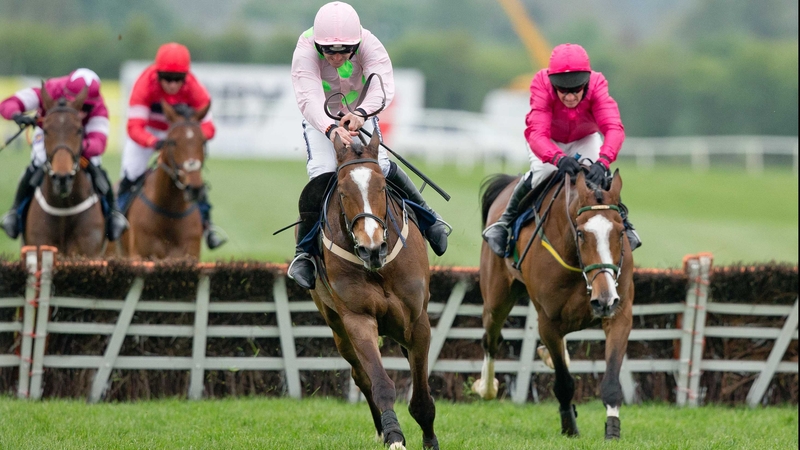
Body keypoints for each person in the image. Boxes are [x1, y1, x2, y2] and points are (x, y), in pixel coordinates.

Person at [288, 1, 450, 289]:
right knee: (322, 172)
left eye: (344, 51)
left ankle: (429, 220)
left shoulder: (370, 43)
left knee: (381, 166)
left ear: (356, 43)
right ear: (318, 45)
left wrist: (361, 114)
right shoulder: (305, 48)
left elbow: (383, 88)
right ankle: (304, 253)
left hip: (361, 112)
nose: (336, 57)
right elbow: (307, 97)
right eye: (329, 51)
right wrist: (330, 129)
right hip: (321, 120)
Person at [482, 43, 641, 257]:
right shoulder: (541, 83)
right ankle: (504, 223)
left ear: (586, 82)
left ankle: (625, 225)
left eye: (576, 89)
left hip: (584, 137)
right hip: (548, 140)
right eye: (563, 90)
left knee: (603, 178)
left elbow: (613, 128)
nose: (570, 97)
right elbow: (537, 133)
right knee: (544, 172)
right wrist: (557, 159)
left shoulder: (597, 84)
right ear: (553, 83)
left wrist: (603, 161)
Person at [118, 42, 227, 249]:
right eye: (167, 78)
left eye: (178, 79)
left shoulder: (195, 88)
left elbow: (209, 127)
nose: (172, 84)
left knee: (194, 177)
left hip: (180, 136)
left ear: (186, 77)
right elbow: (134, 127)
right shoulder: (144, 84)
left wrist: (189, 140)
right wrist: (153, 142)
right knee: (131, 172)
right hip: (148, 132)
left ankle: (208, 227)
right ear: (157, 74)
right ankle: (117, 219)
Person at [0, 68, 128, 241]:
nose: (81, 112)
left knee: (95, 166)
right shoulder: (51, 89)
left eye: (87, 108)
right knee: (39, 161)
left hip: (78, 139)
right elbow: (8, 104)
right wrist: (17, 115)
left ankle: (114, 214)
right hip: (50, 134)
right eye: (78, 105)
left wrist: (74, 146)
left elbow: (98, 143)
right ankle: (15, 212)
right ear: (65, 95)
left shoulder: (99, 108)